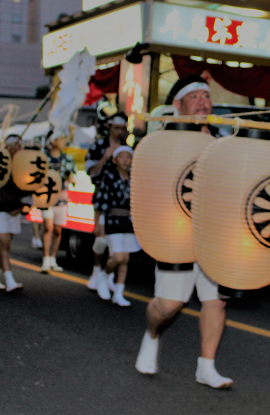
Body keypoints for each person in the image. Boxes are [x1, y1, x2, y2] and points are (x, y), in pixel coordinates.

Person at [135, 75, 232, 389]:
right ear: (177, 105)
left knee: (215, 301)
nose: (204, 102)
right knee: (169, 304)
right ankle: (152, 334)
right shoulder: (161, 141)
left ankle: (207, 366)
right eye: (196, 97)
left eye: (207, 96)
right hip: (175, 232)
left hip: (212, 235)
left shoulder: (221, 141)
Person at [85, 112, 128, 291]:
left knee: (117, 241)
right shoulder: (98, 146)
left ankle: (109, 275)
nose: (119, 131)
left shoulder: (127, 148)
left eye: (123, 128)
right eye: (116, 127)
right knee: (100, 238)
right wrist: (105, 157)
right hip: (103, 196)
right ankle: (96, 269)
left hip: (120, 199)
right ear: (109, 127)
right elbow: (90, 171)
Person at [92, 145, 140, 306]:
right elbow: (101, 201)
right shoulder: (110, 176)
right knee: (118, 256)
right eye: (122, 157)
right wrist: (98, 223)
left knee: (125, 259)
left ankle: (119, 292)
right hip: (112, 218)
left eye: (128, 157)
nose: (125, 160)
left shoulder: (135, 178)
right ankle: (103, 275)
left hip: (129, 221)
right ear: (115, 160)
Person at [0, 135, 30, 292]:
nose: (18, 149)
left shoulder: (24, 165)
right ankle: (9, 279)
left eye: (20, 146)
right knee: (4, 242)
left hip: (15, 207)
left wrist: (22, 206)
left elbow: (29, 186)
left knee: (7, 244)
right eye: (15, 146)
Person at [40, 132, 77, 272]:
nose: (62, 141)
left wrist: (70, 181)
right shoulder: (43, 158)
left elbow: (71, 176)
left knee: (57, 229)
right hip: (46, 196)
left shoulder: (67, 159)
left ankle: (53, 258)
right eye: (59, 138)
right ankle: (45, 257)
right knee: (48, 226)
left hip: (61, 197)